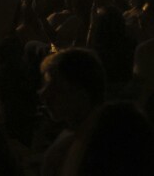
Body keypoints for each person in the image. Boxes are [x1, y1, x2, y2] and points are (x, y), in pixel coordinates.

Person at [37, 48, 106, 176]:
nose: (43, 94)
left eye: (53, 85)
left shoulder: (95, 148)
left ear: (80, 91)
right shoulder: (77, 134)